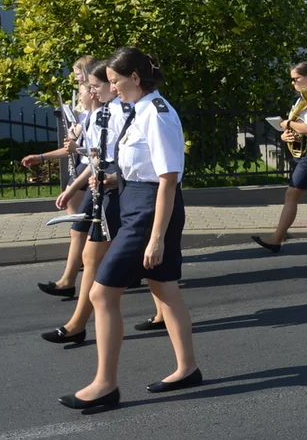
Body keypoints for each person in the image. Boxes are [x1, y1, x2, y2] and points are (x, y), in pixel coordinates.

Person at [59, 48, 200, 410]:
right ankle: (188, 368)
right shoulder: (138, 111)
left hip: (151, 213)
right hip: (135, 201)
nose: (111, 88)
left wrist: (155, 238)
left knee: (102, 295)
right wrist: (111, 180)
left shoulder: (157, 114)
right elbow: (141, 169)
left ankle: (105, 384)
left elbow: (168, 180)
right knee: (165, 289)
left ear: (135, 78)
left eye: (116, 81)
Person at [41, 60, 125, 344]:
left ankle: (79, 324)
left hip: (121, 192)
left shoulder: (126, 112)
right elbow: (98, 158)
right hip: (105, 187)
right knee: (93, 257)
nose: (92, 92)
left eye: (96, 86)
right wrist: (75, 184)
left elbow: (128, 161)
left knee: (154, 274)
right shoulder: (106, 113)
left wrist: (115, 177)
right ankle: (77, 323)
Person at [26, 69, 96, 298]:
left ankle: (74, 279)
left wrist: (72, 186)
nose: (78, 90)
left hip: (94, 175)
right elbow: (71, 148)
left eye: (80, 85)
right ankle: (70, 279)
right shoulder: (86, 116)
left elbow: (100, 154)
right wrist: (43, 157)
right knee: (79, 229)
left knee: (90, 231)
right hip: (83, 172)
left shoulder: (103, 115)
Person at [251, 62, 307, 254]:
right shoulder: (301, 99)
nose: (293, 83)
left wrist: (288, 122)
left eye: (296, 79)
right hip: (306, 150)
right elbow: (295, 127)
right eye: (292, 80)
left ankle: (276, 239)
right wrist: (284, 134)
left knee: (291, 194)